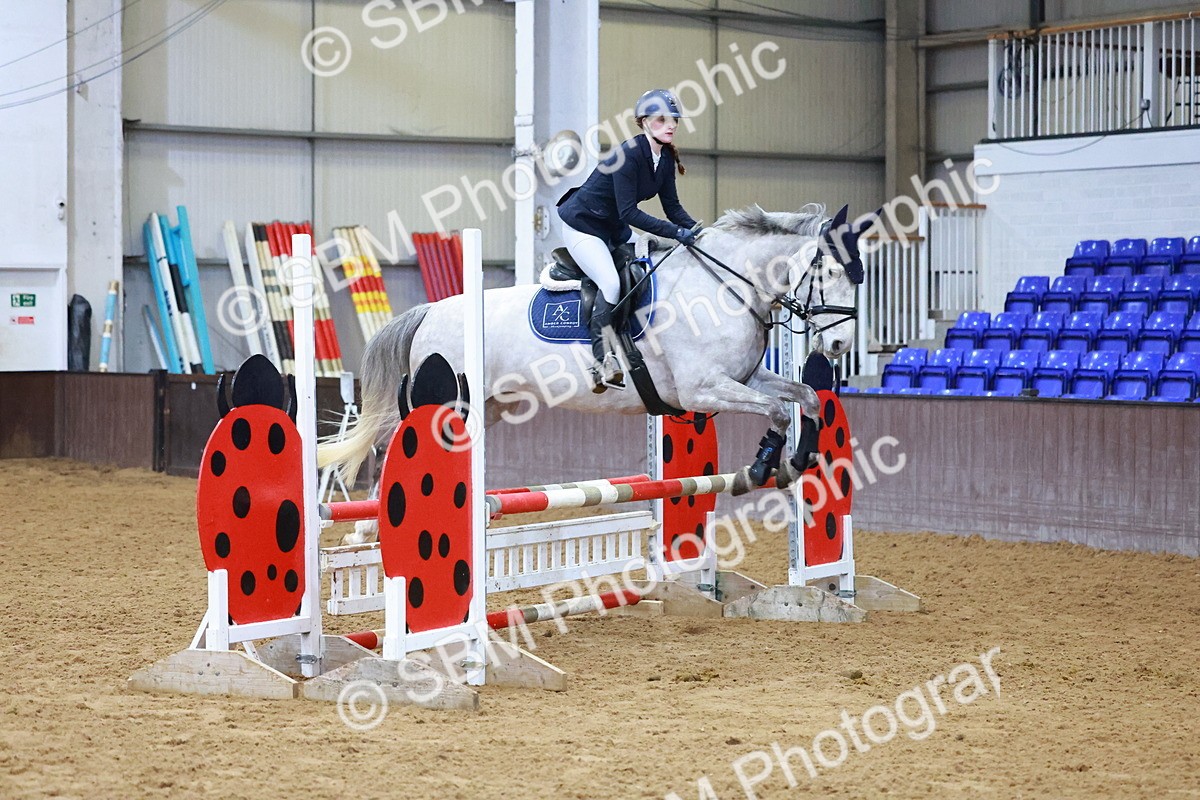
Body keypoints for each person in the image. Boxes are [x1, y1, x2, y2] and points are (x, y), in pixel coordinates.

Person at [557, 88, 701, 393]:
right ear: (644, 122)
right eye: (662, 119)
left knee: (650, 264)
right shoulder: (628, 155)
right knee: (610, 283)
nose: (671, 125)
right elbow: (629, 212)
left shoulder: (663, 159)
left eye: (673, 119)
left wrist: (700, 231)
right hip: (584, 225)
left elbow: (673, 209)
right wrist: (676, 233)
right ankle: (602, 361)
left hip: (613, 228)